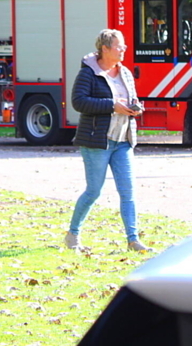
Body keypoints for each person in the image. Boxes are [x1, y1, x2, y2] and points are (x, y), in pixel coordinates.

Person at [66, 29, 153, 253]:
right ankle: (73, 234)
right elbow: (79, 102)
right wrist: (111, 105)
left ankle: (133, 240)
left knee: (128, 192)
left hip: (122, 140)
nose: (123, 49)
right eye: (118, 46)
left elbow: (131, 98)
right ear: (105, 49)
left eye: (123, 46)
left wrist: (135, 107)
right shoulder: (88, 73)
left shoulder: (125, 73)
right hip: (97, 141)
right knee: (94, 191)